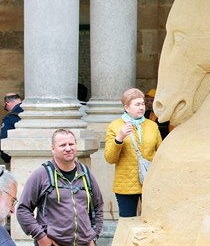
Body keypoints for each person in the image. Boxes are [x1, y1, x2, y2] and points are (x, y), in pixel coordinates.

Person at [17, 128, 104, 246]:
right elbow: (23, 209)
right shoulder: (42, 174)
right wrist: (40, 236)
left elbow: (98, 206)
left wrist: (93, 236)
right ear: (53, 149)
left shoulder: (85, 173)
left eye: (71, 144)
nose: (68, 148)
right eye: (62, 145)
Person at [105, 88, 162, 217]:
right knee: (127, 220)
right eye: (137, 104)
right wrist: (118, 139)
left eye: (143, 104)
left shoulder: (152, 126)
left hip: (149, 180)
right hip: (126, 183)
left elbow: (160, 153)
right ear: (127, 107)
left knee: (152, 219)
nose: (142, 107)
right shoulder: (115, 126)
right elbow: (110, 158)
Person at [0, 93, 23, 163]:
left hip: (15, 159)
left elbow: (3, 138)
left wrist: (6, 158)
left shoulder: (9, 118)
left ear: (8, 104)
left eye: (5, 108)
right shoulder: (31, 112)